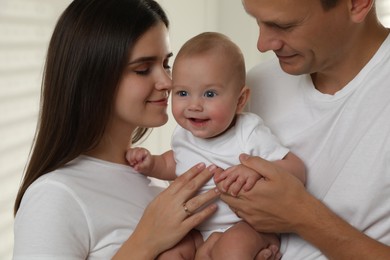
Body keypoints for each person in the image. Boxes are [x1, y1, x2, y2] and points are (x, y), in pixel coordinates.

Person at [12, 0, 224, 259]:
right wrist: (146, 242)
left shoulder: (156, 181)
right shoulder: (55, 196)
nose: (167, 82)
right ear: (94, 77)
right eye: (143, 69)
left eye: (166, 64)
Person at [210, 0, 390, 259]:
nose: (262, 44)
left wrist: (303, 217)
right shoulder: (251, 88)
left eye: (283, 25)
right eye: (257, 21)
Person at [127, 32, 305, 259]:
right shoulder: (183, 134)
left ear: (240, 100)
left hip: (247, 227)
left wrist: (254, 170)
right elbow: (173, 163)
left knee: (233, 249)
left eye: (209, 94)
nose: (194, 105)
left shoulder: (247, 131)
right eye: (182, 93)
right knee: (168, 255)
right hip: (198, 229)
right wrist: (152, 163)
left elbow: (296, 168)